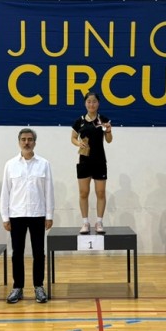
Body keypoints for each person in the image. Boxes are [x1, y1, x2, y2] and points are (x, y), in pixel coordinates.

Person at [0, 128, 54, 304]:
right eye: (23, 139)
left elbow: (49, 191)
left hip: (38, 214)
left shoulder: (44, 164)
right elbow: (5, 192)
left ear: (34, 142)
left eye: (30, 139)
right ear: (19, 142)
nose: (26, 142)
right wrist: (5, 217)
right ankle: (18, 287)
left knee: (39, 252)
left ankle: (39, 286)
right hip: (17, 215)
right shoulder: (10, 165)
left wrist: (49, 215)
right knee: (17, 253)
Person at [71, 91, 112, 234]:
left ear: (98, 103)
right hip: (84, 161)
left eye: (94, 101)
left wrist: (108, 131)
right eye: (89, 101)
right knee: (84, 193)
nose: (91, 104)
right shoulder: (79, 121)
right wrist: (79, 143)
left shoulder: (103, 119)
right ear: (85, 103)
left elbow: (109, 140)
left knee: (100, 192)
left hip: (99, 161)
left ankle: (99, 222)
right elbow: (73, 138)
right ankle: (85, 223)